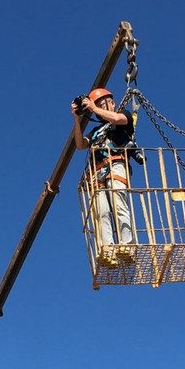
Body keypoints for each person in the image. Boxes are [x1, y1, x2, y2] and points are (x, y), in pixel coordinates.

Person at [71, 88, 136, 266]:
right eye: (97, 105)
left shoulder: (123, 116)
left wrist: (92, 108)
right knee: (101, 212)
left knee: (118, 202)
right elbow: (80, 144)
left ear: (112, 103)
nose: (99, 108)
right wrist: (77, 120)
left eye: (102, 104)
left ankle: (127, 246)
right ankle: (108, 249)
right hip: (97, 172)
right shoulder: (97, 130)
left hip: (116, 164)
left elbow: (116, 119)